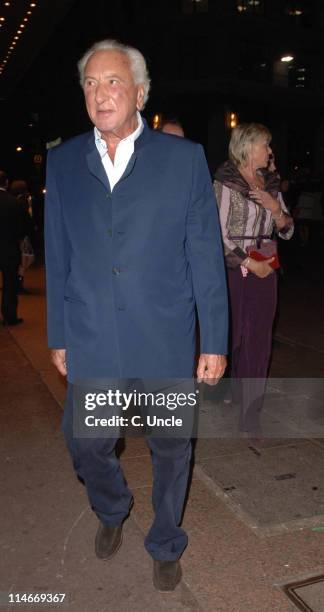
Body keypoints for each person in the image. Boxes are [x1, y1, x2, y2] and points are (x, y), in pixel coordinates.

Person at [45, 39, 228, 592]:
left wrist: (213, 341)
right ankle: (112, 505)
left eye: (113, 81)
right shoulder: (64, 160)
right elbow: (58, 253)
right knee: (86, 443)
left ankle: (166, 540)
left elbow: (204, 255)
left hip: (164, 335)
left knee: (173, 447)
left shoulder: (184, 159)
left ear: (140, 92)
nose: (100, 92)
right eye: (91, 83)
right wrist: (59, 331)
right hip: (94, 334)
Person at [214, 123, 293, 435]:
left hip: (267, 266)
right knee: (234, 336)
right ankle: (232, 389)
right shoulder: (226, 182)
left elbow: (287, 230)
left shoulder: (270, 183)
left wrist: (276, 210)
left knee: (259, 340)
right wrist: (247, 261)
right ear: (247, 147)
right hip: (234, 268)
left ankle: (251, 413)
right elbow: (216, 233)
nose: (270, 151)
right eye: (265, 145)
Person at [0, 170, 25, 325]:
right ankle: (9, 316)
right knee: (10, 284)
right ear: (6, 182)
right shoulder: (13, 202)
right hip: (9, 249)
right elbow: (21, 228)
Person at [10, 180, 35, 294]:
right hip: (23, 235)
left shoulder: (13, 200)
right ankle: (19, 282)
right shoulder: (24, 202)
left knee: (19, 260)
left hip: (14, 234)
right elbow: (28, 219)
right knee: (25, 260)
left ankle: (17, 282)